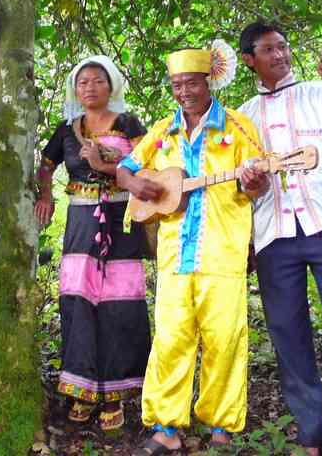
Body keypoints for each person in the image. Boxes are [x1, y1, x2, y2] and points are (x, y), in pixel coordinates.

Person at [117, 43, 267, 454]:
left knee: (224, 337)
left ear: (208, 82)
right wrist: (138, 184)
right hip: (173, 256)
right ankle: (167, 427)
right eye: (177, 84)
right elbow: (124, 169)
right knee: (170, 338)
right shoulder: (162, 130)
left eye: (191, 83)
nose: (184, 91)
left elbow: (260, 180)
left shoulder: (237, 126)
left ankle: (221, 423)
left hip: (222, 251)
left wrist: (255, 181)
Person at [237, 21, 322, 455]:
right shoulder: (245, 116)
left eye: (283, 47)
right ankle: (310, 431)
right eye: (268, 49)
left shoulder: (319, 92)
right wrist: (251, 183)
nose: (279, 55)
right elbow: (244, 184)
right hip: (274, 235)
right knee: (287, 333)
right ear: (249, 60)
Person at [34, 56, 150, 434]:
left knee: (118, 304)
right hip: (81, 222)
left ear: (111, 84)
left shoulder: (128, 123)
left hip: (121, 220)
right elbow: (46, 164)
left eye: (97, 81)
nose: (89, 88)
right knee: (79, 301)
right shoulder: (68, 129)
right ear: (75, 89)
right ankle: (82, 390)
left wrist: (110, 163)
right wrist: (46, 195)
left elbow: (151, 161)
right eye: (82, 83)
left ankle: (114, 393)